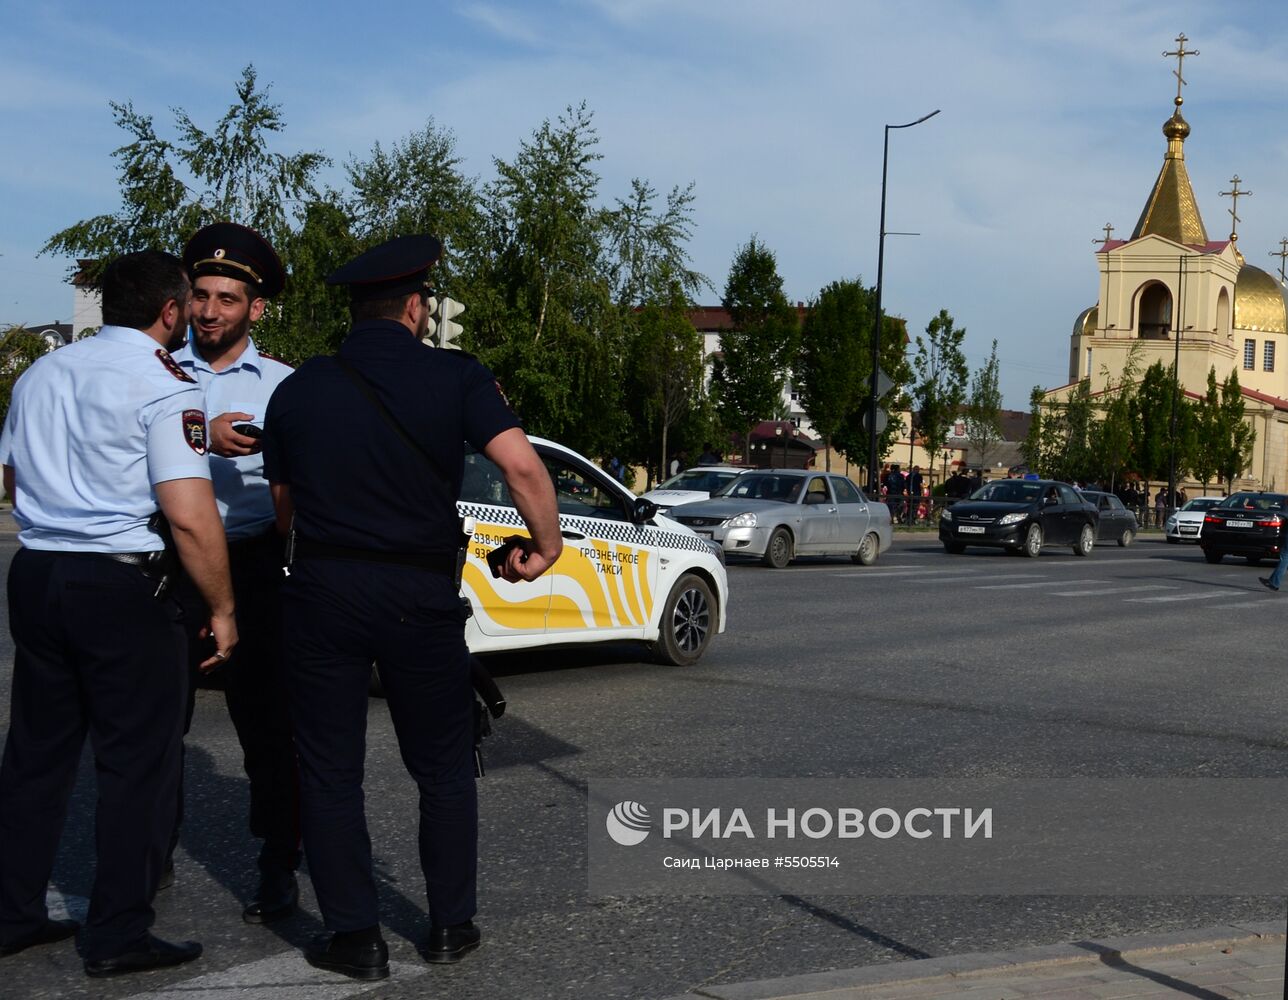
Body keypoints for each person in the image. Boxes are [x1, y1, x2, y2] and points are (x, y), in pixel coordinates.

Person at [261, 235, 562, 981]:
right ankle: (450, 927)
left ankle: (356, 939)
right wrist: (545, 545)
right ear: (416, 308)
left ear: (357, 312)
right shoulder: (455, 377)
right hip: (419, 597)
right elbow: (522, 466)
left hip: (324, 591)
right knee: (443, 768)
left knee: (330, 771)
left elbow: (282, 509)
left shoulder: (297, 389)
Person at [0, 251, 236, 976]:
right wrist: (223, 607)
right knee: (137, 764)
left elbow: (10, 476)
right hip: (120, 584)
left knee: (36, 755)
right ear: (171, 311)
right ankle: (117, 934)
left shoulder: (41, 374)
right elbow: (191, 516)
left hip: (38, 571)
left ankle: (11, 913)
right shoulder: (165, 384)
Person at [167, 223, 300, 923]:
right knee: (157, 722)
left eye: (227, 298)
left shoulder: (285, 387)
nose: (210, 311)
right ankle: (147, 860)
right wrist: (201, 439)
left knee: (268, 727)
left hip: (252, 567)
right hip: (169, 562)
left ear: (255, 308)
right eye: (200, 295)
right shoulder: (155, 371)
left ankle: (278, 862)